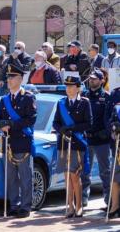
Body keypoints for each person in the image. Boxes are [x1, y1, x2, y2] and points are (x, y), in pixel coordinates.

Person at [0, 64, 37, 218]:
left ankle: (25, 206)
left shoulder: (28, 97)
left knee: (25, 177)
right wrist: (0, 125)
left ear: (20, 79)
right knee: (11, 177)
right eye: (8, 77)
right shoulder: (4, 99)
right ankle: (14, 205)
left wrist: (12, 124)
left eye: (12, 77)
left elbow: (31, 119)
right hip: (8, 142)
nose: (9, 80)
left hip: (22, 142)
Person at [53, 76, 92, 218]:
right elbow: (55, 122)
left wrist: (73, 128)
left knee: (75, 176)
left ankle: (79, 206)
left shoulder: (84, 103)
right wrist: (62, 129)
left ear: (78, 88)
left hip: (77, 143)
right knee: (67, 177)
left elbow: (89, 123)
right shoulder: (61, 103)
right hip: (64, 143)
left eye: (71, 86)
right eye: (67, 86)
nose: (68, 89)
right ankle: (69, 206)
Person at [81, 70, 110, 207]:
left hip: (101, 140)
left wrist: (106, 132)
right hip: (86, 139)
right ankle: (83, 198)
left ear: (101, 80)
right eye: (90, 79)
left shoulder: (106, 97)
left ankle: (109, 199)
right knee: (85, 171)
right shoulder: (84, 95)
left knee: (105, 171)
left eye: (94, 79)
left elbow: (110, 118)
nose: (91, 81)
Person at [107, 102, 120, 219]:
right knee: (115, 178)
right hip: (118, 148)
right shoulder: (117, 107)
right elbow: (109, 123)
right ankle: (114, 206)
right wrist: (114, 126)